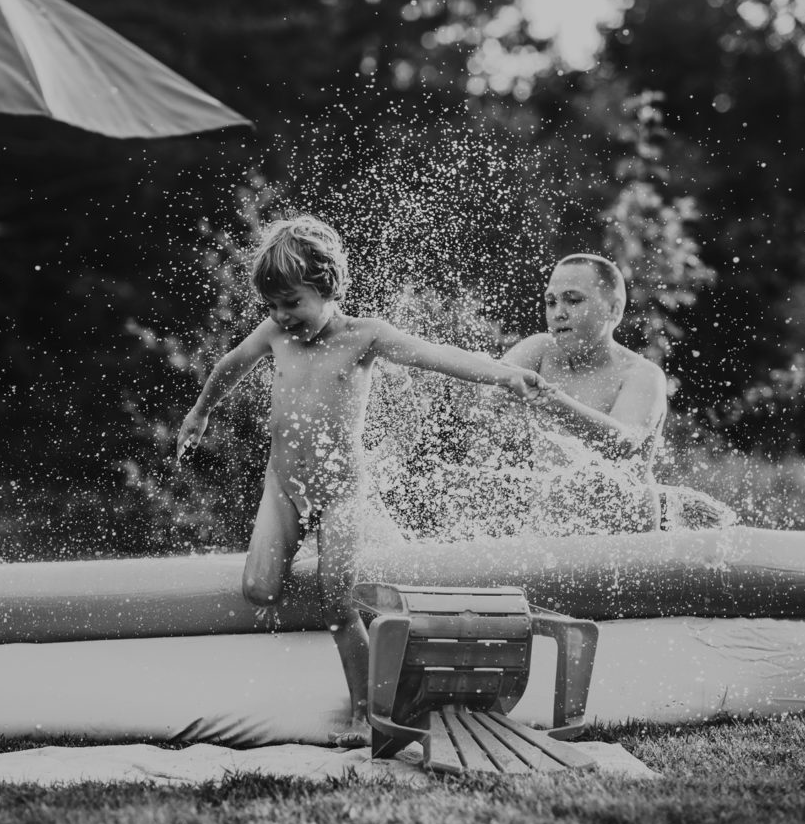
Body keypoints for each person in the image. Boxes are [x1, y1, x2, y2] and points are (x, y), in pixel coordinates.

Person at [177, 215, 548, 747]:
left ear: (328, 286)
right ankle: (316, 551)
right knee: (258, 590)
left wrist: (505, 373)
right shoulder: (273, 334)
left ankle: (368, 709)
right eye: (273, 306)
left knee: (337, 603)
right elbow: (229, 366)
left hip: (342, 492)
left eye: (293, 303)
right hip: (283, 485)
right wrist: (200, 414)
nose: (282, 316)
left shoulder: (364, 337)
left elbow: (438, 357)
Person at [499, 253, 733, 532]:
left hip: (625, 541)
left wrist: (551, 400)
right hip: (551, 534)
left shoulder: (642, 375)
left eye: (573, 300)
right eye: (551, 302)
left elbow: (622, 443)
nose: (558, 312)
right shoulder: (539, 351)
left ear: (614, 309)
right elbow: (484, 390)